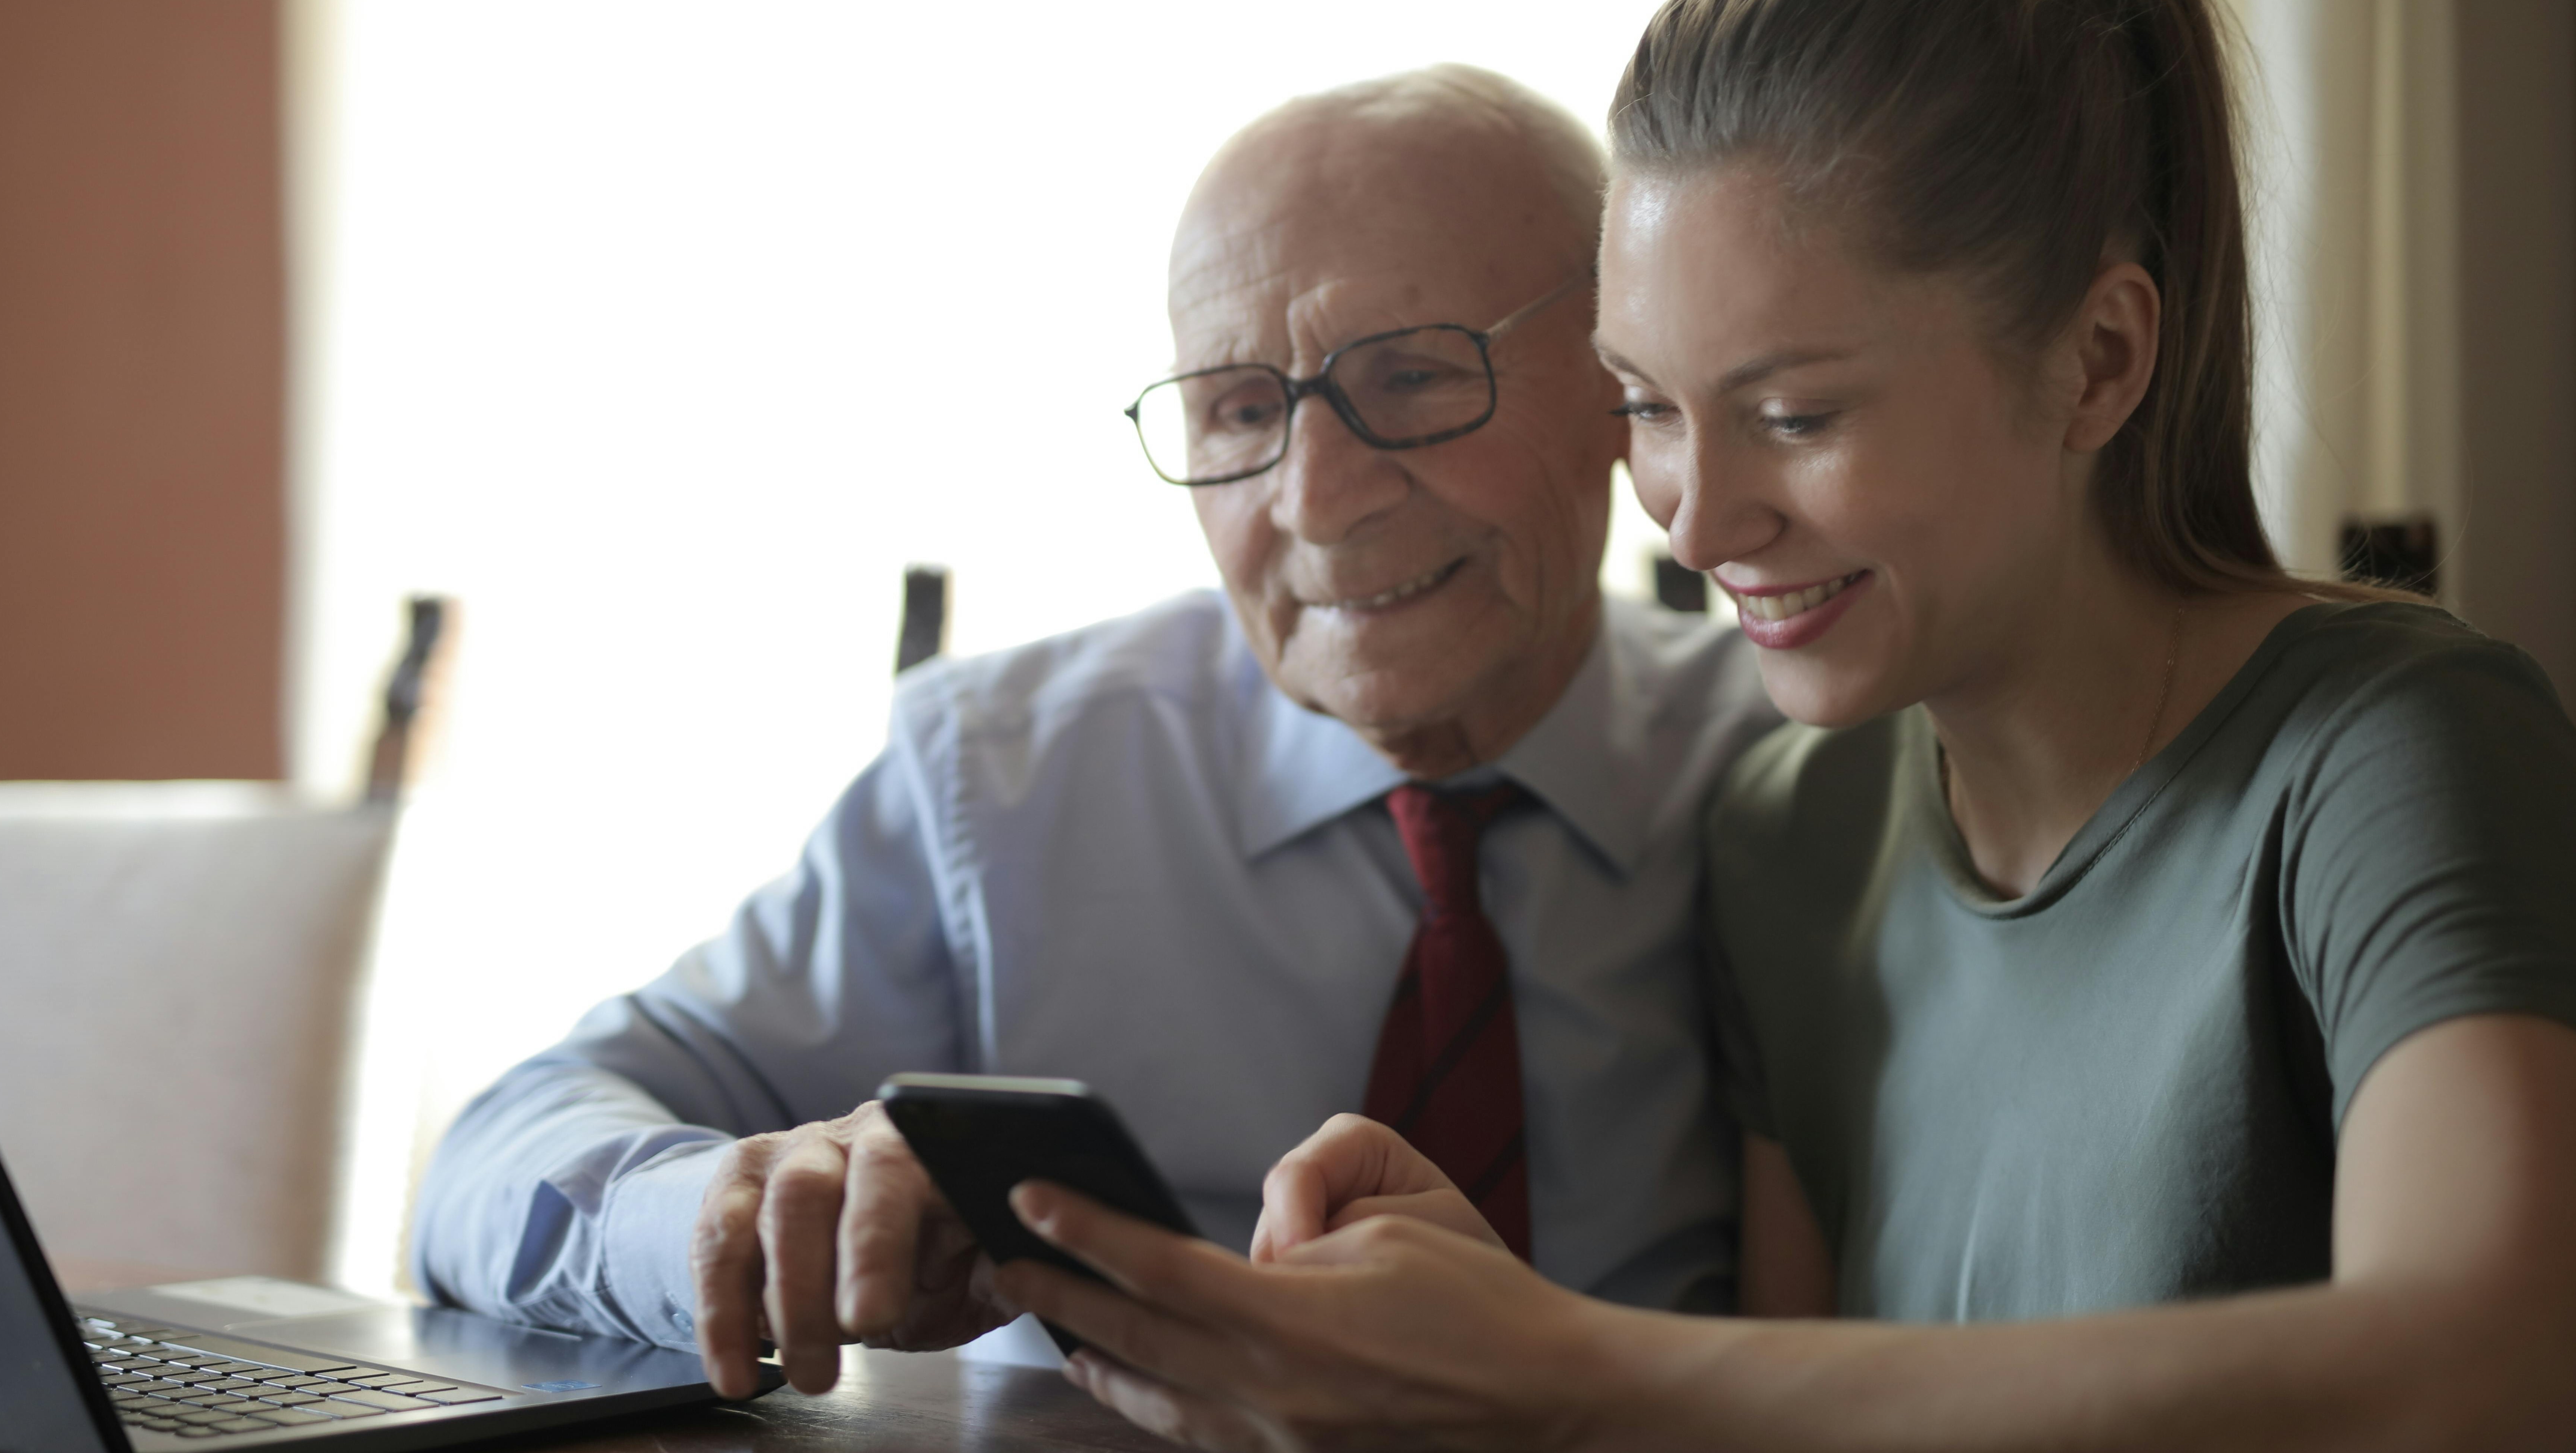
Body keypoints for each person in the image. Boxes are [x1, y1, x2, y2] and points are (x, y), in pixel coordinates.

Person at [990, 1, 2576, 1447]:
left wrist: (1560, 1359)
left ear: (2097, 360)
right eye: (1649, 407)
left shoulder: (2390, 747)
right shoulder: (1789, 831)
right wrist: (1471, 1343)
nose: (1689, 524)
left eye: (1791, 415)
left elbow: (2481, 1369)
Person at [411, 64, 1783, 1401]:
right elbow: (494, 1161)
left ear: (1624, 381)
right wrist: (732, 1209)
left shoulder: (1798, 783)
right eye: (1241, 409)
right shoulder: (1006, 780)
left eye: (1415, 379)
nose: (1315, 500)